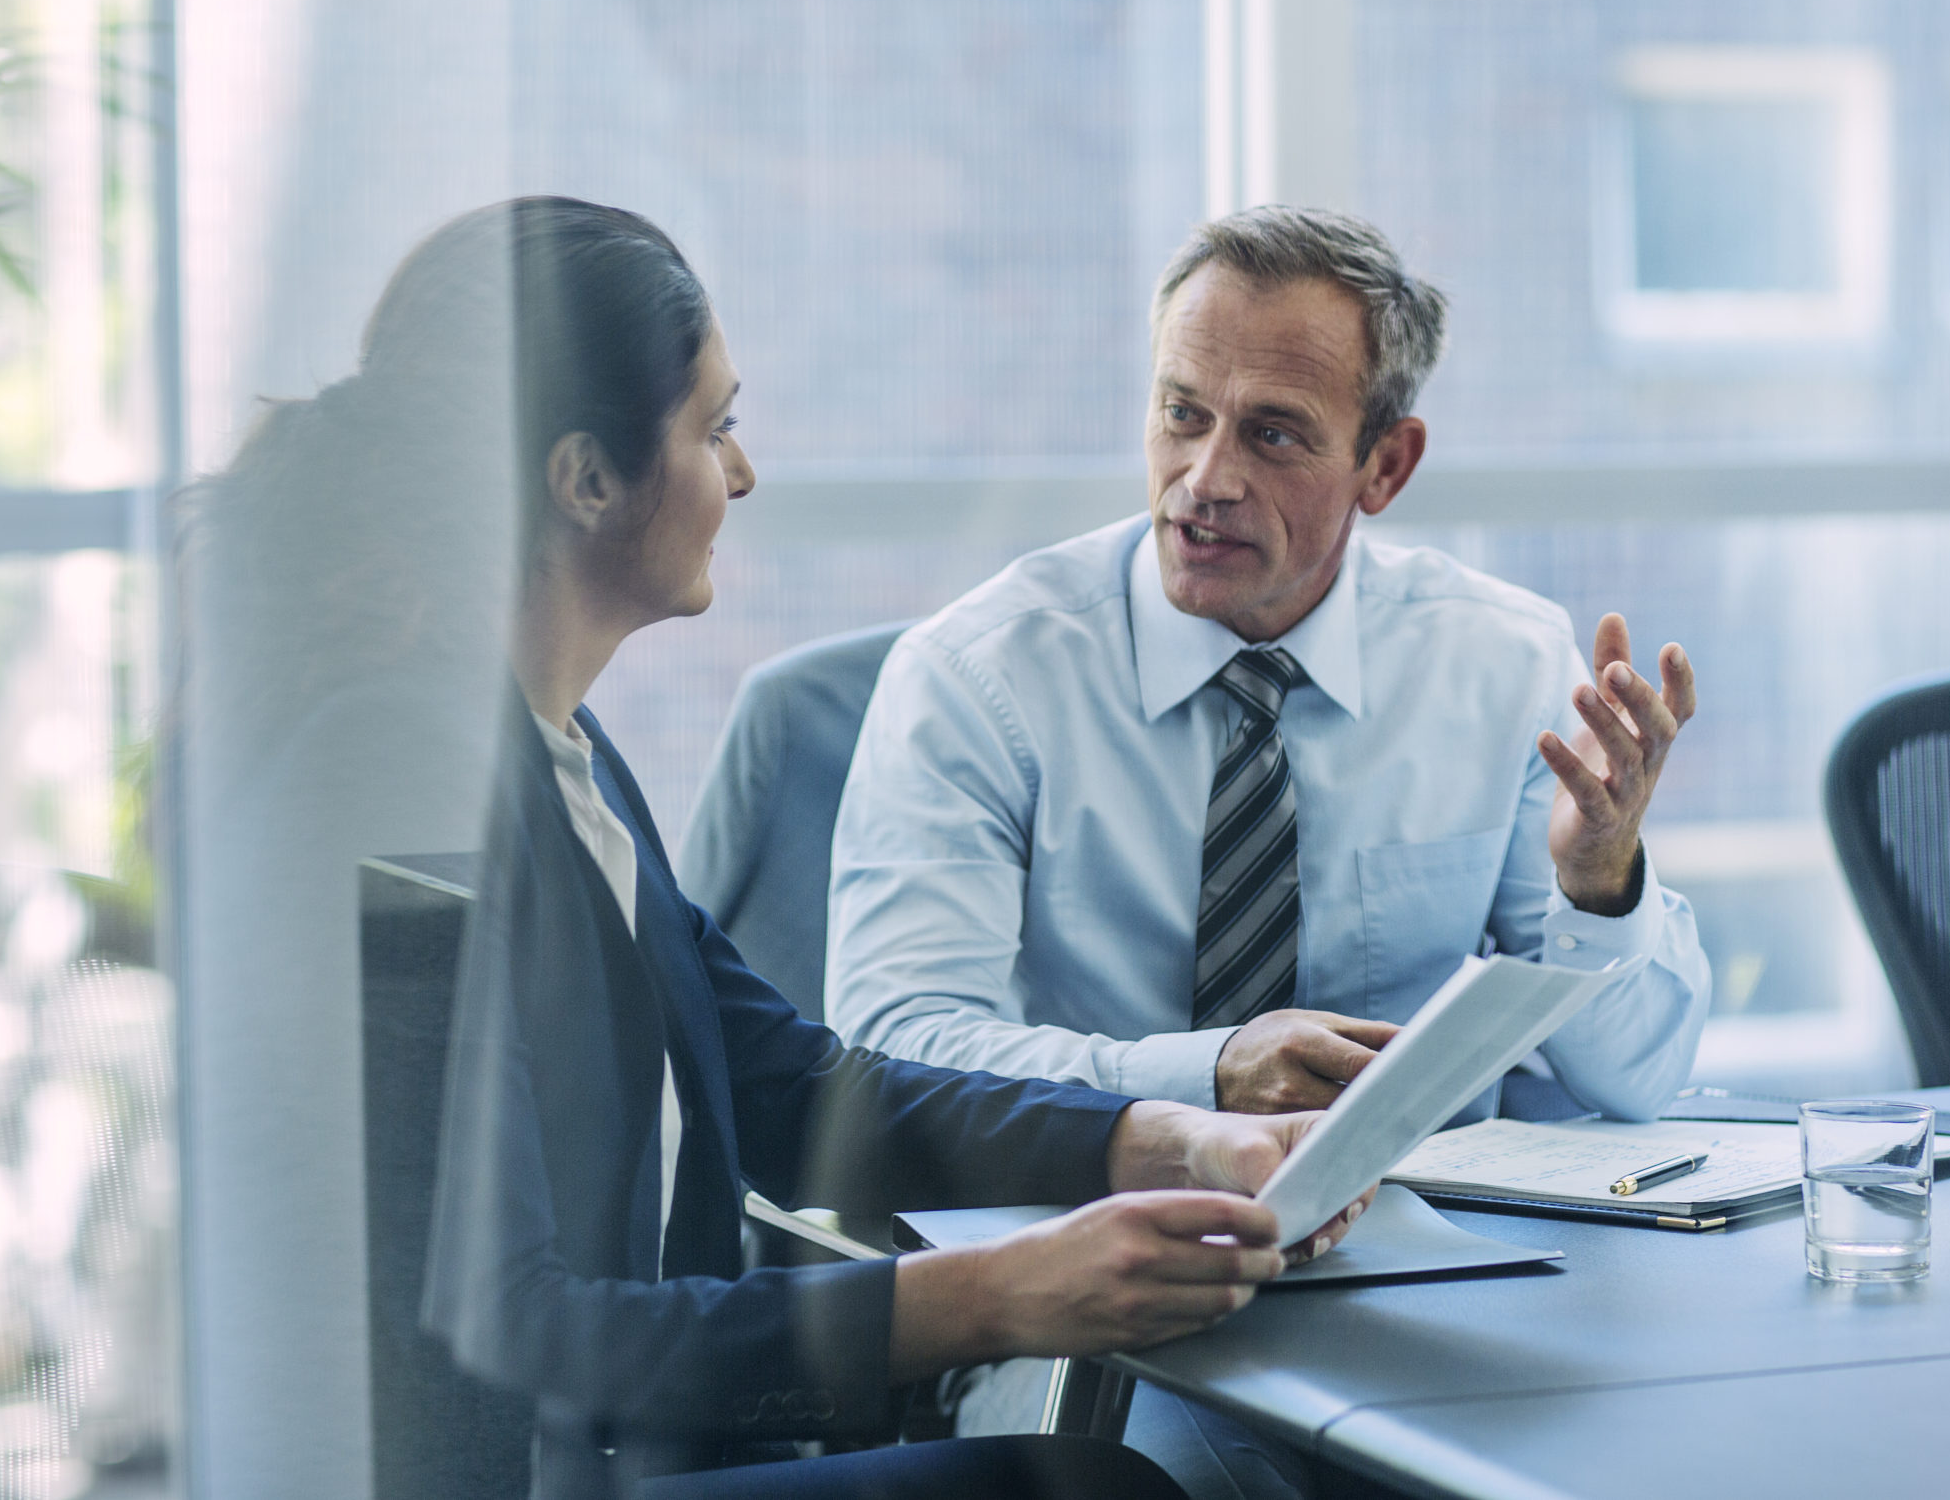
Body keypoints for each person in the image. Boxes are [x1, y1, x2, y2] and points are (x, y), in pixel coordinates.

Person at [416, 197, 1365, 1500]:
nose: (741, 477)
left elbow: (808, 1093)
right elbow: (525, 1338)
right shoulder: (437, 813)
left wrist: (1167, 1141)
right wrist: (993, 1296)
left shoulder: (570, 761)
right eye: (717, 429)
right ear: (585, 478)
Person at [823, 206, 1708, 1495]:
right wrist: (1208, 1079)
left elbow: (1637, 1086)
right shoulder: (980, 677)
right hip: (1093, 1297)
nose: (1206, 479)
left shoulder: (1499, 661)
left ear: (1386, 466)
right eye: (1182, 414)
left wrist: (1598, 883)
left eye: (1273, 433)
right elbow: (892, 1050)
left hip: (1437, 1286)